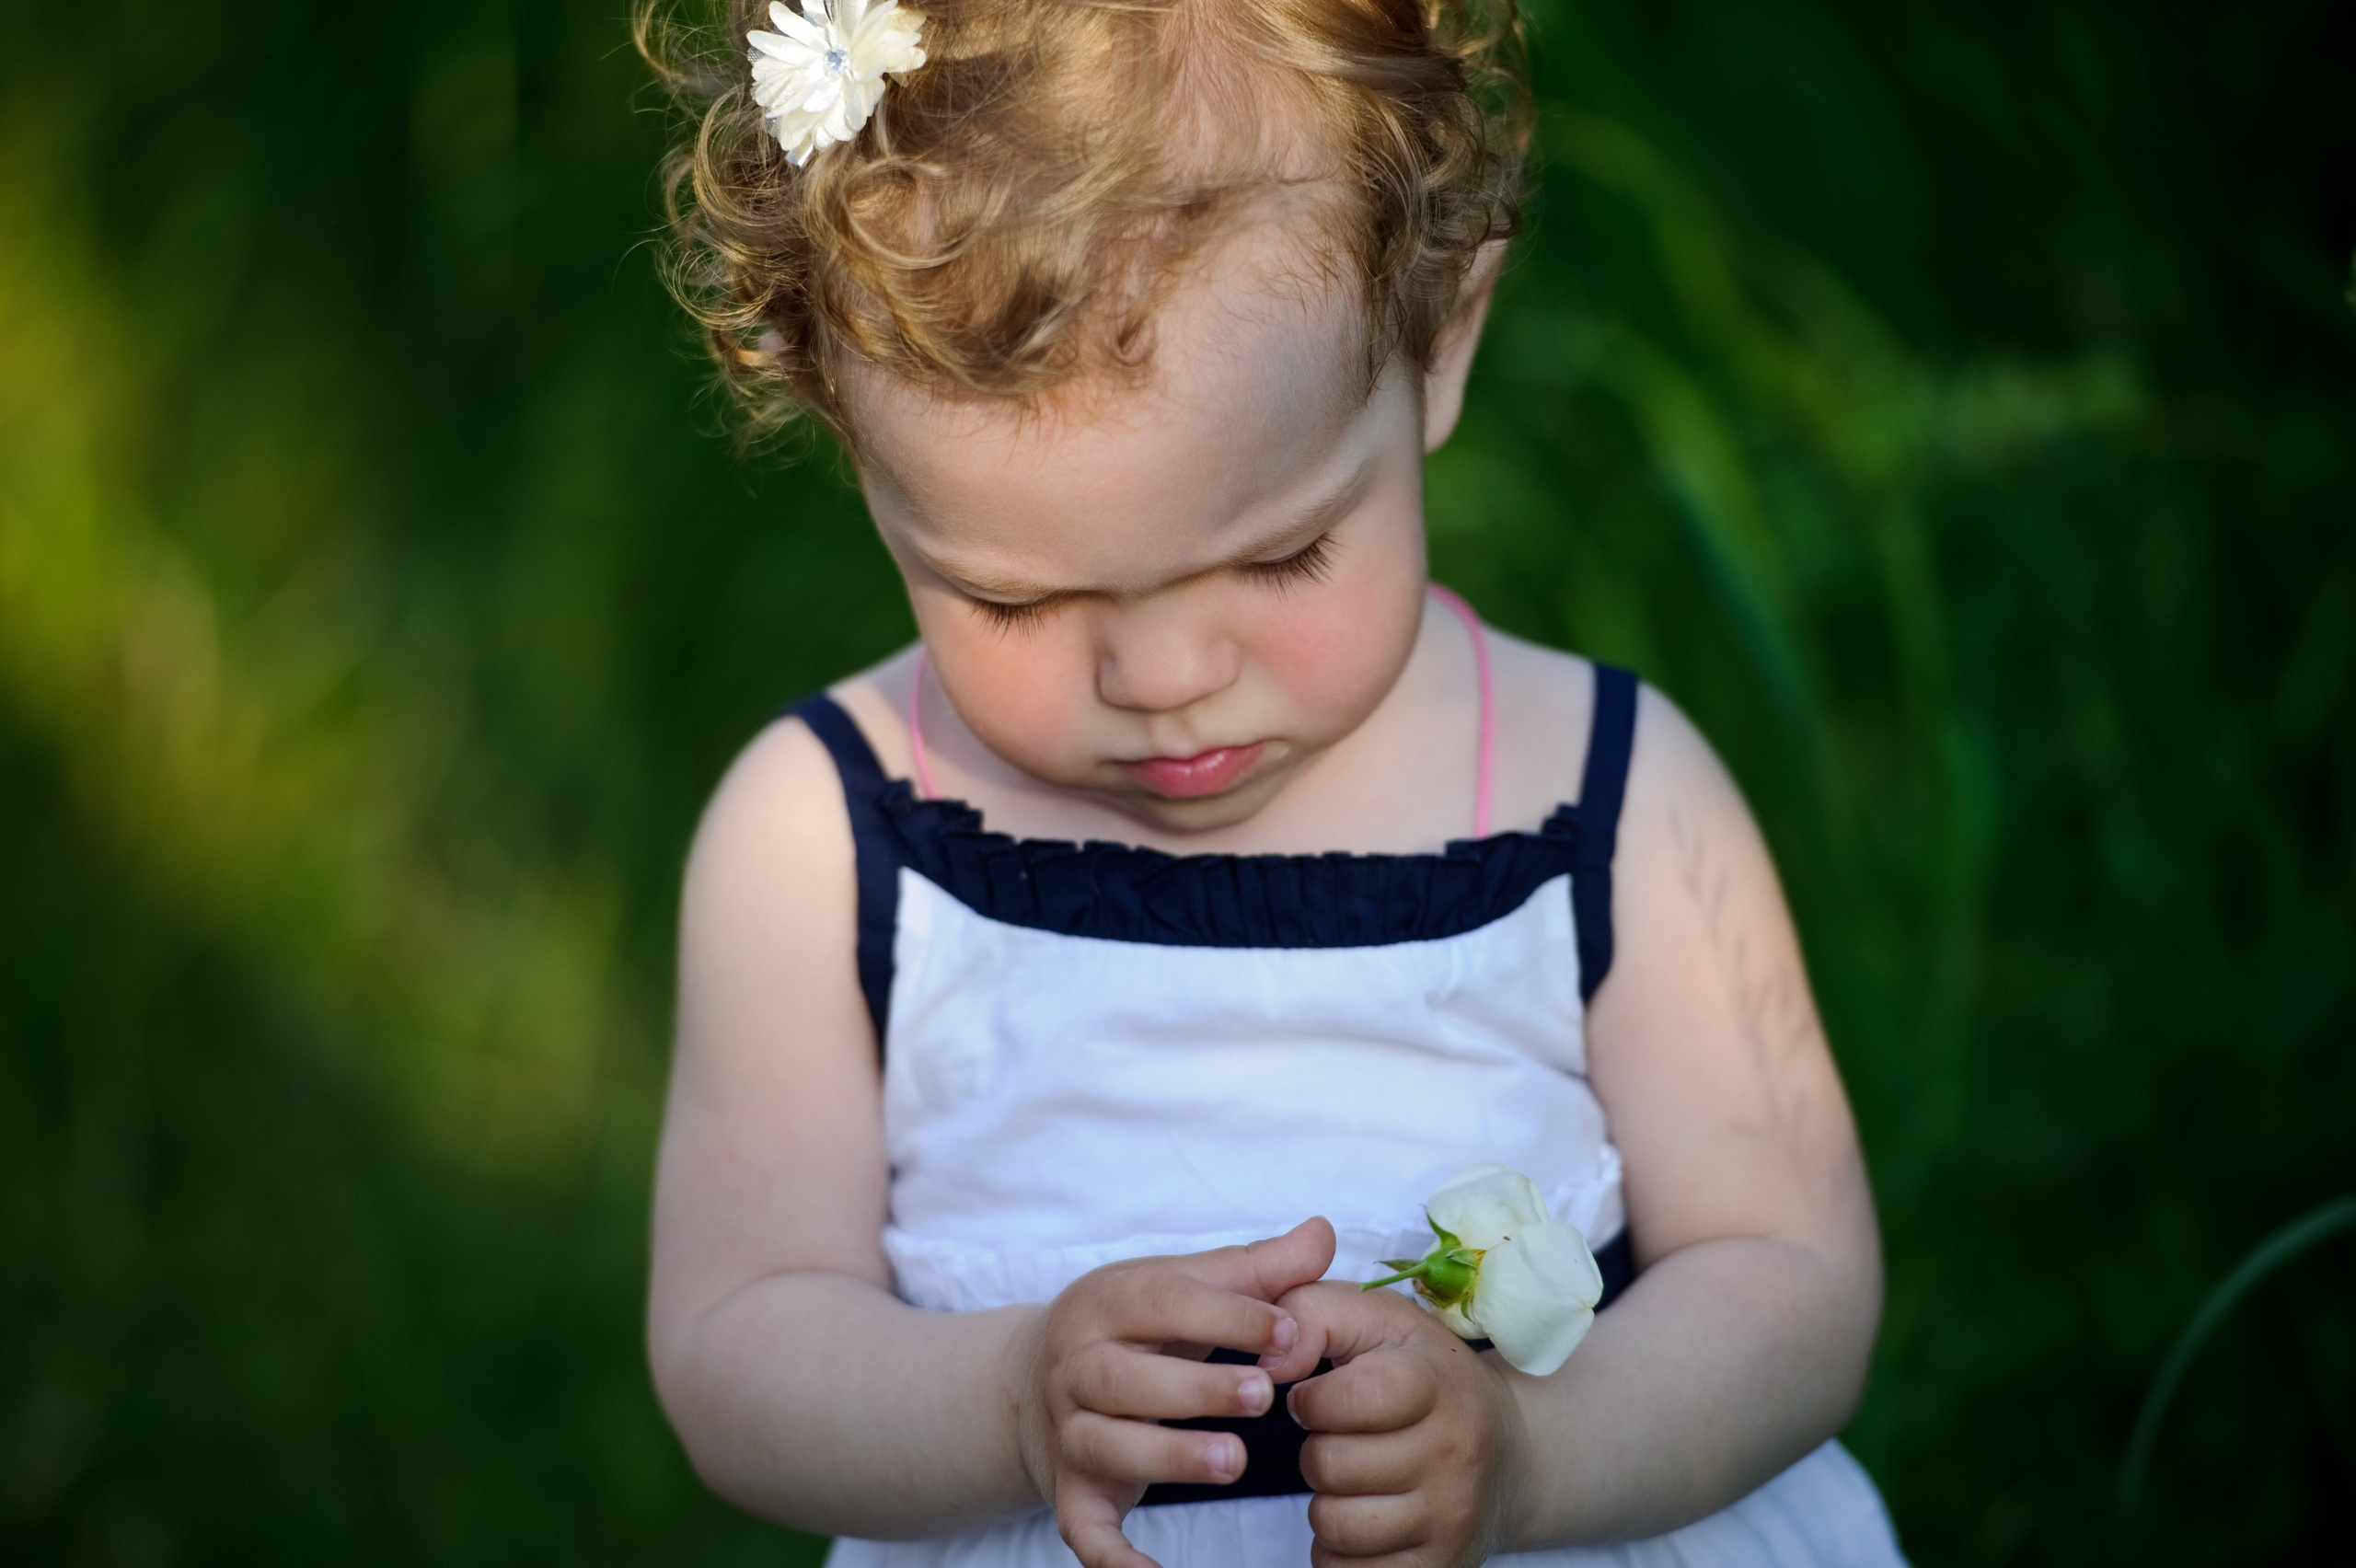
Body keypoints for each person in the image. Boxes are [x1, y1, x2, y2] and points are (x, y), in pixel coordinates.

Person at [639, 0, 1908, 1562]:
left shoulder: (1603, 796)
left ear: (1440, 341)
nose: (1165, 676)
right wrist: (1008, 1405)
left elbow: (1792, 1275)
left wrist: (1533, 1455)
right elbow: (738, 1343)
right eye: (1017, 600)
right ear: (853, 435)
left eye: (1282, 554)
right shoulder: (822, 841)